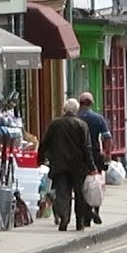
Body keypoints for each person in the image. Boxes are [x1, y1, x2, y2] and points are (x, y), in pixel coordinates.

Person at [37, 98, 96, 231]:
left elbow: (44, 143)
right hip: (78, 166)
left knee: (63, 193)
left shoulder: (55, 124)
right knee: (80, 194)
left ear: (64, 109)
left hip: (60, 165)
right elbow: (87, 148)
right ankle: (79, 222)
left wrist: (40, 159)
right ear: (76, 110)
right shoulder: (81, 125)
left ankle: (64, 219)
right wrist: (92, 167)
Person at [77, 91, 112, 226]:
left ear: (80, 103)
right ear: (91, 103)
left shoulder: (75, 117)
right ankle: (95, 210)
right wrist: (107, 153)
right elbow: (106, 137)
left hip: (79, 156)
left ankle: (85, 214)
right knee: (96, 184)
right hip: (95, 154)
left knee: (81, 185)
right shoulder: (98, 118)